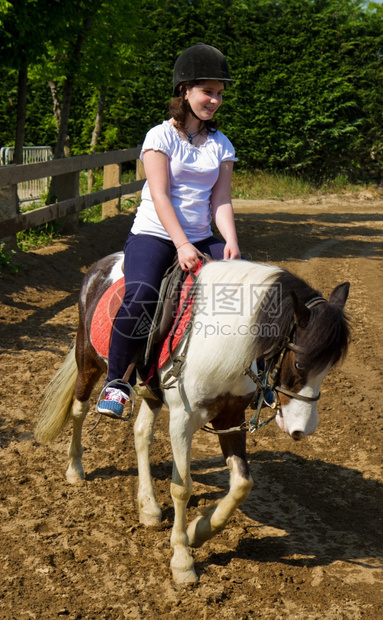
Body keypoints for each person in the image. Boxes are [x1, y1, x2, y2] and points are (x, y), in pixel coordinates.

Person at [97, 42, 241, 418]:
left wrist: (231, 243)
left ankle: (243, 377)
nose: (214, 100)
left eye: (220, 94)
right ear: (184, 90)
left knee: (243, 292)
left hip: (200, 234)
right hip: (154, 233)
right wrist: (181, 244)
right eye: (207, 91)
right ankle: (117, 382)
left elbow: (220, 201)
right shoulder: (159, 137)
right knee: (142, 295)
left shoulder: (221, 145)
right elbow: (159, 196)